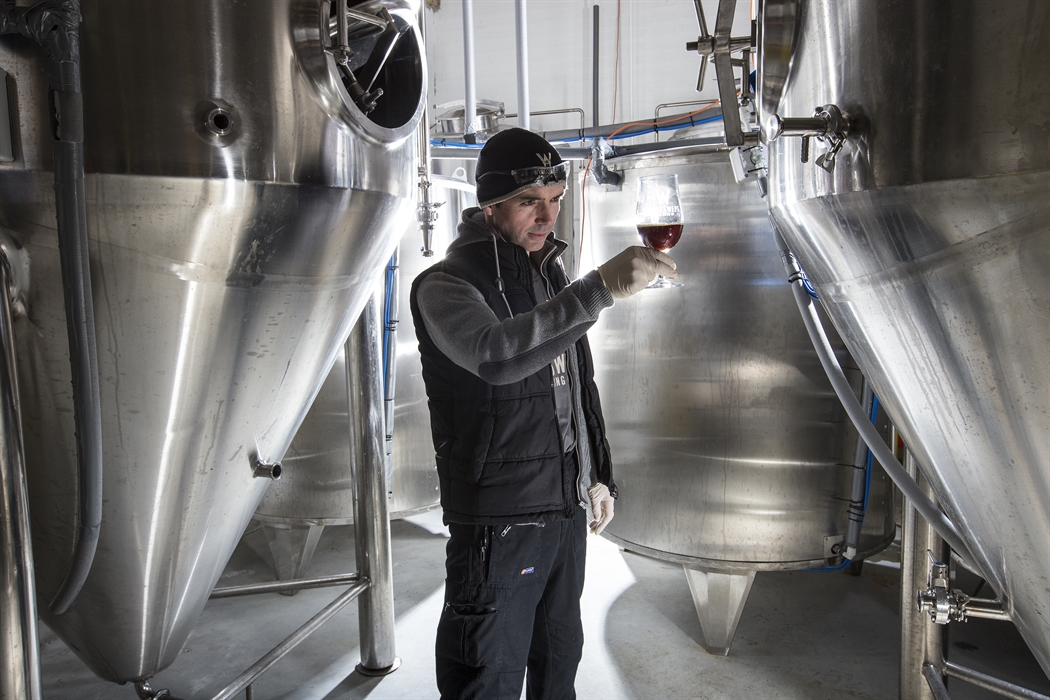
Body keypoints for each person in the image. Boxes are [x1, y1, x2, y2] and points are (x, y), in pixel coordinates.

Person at [410, 128, 676, 699]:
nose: (548, 216)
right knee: (487, 676)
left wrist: (596, 476)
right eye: (530, 201)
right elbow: (497, 357)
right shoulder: (445, 285)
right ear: (489, 204)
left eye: (555, 199)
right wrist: (597, 288)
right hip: (500, 521)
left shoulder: (546, 272)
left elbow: (576, 385)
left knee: (558, 666)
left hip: (565, 511)